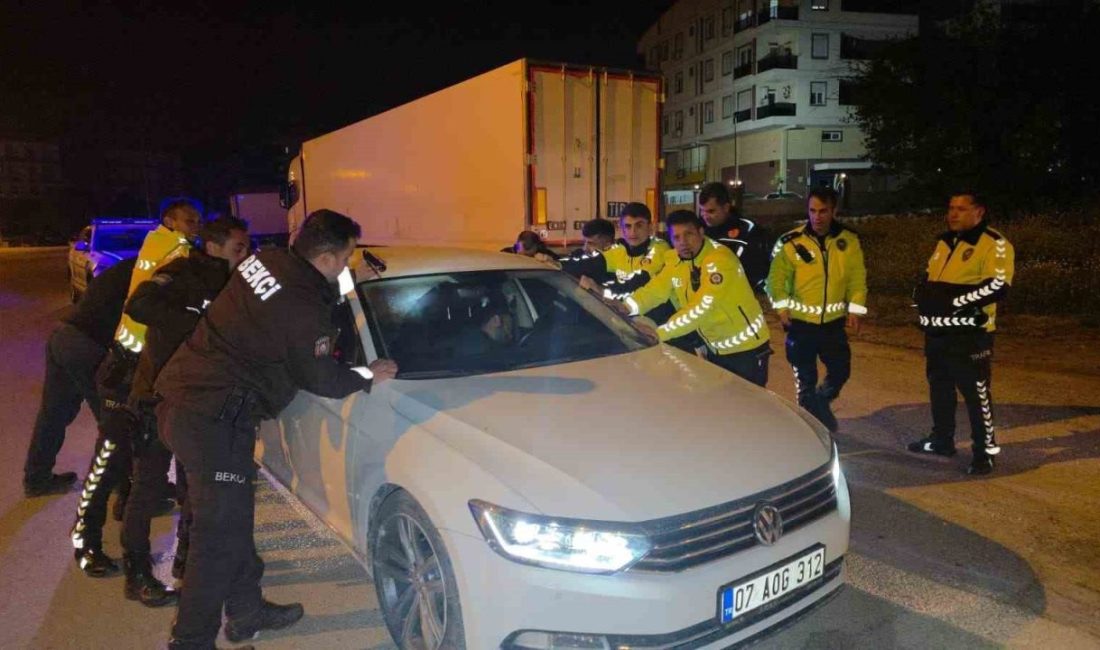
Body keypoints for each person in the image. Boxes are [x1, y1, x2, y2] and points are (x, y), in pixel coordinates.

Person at [153, 209, 397, 648]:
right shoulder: (301, 307)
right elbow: (320, 376)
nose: (346, 268)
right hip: (213, 420)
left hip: (185, 402)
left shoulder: (265, 261)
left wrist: (336, 293)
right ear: (325, 257)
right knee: (217, 540)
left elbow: (287, 315)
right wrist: (367, 374)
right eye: (344, 259)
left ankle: (246, 611)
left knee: (230, 522)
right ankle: (190, 641)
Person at [118, 216, 251, 607]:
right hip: (155, 396)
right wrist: (195, 321)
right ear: (213, 247)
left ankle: (187, 559)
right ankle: (137, 572)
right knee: (147, 486)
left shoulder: (235, 283)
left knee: (197, 487)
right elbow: (138, 304)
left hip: (198, 402)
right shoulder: (181, 271)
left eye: (247, 249)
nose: (245, 256)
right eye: (238, 249)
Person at [70, 199, 201, 577]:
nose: (194, 227)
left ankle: (121, 516)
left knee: (135, 456)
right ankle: (85, 541)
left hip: (138, 367)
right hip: (127, 368)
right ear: (170, 221)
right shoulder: (175, 249)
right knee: (109, 458)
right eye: (188, 221)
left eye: (198, 222)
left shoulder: (156, 245)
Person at [908, 191, 1014, 475]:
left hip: (971, 334)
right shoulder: (945, 242)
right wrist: (921, 295)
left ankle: (985, 452)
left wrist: (953, 302)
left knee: (976, 393)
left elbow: (998, 286)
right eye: (951, 208)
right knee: (940, 388)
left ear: (979, 212)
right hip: (938, 331)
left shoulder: (994, 244)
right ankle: (942, 440)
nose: (953, 213)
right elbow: (930, 278)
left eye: (961, 208)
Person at [611, 210, 772, 386]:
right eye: (676, 237)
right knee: (723, 405)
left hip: (747, 349)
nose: (683, 243)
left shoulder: (719, 260)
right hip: (714, 347)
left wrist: (659, 333)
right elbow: (655, 290)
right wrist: (626, 306)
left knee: (748, 407)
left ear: (701, 232)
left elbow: (702, 307)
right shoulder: (676, 260)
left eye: (689, 234)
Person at [23, 256, 137, 498]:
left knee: (54, 412)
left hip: (64, 335)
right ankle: (123, 486)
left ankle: (37, 479)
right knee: (113, 416)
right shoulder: (150, 273)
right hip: (88, 345)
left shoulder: (128, 265)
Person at [766, 187, 867, 433]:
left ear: (834, 211)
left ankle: (820, 403)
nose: (817, 217)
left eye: (823, 211)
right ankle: (809, 429)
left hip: (833, 324)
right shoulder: (790, 242)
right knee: (805, 380)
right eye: (812, 211)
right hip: (800, 325)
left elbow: (856, 278)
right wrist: (781, 309)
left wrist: (855, 310)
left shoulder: (848, 241)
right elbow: (775, 281)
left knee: (841, 371)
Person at [697, 181, 772, 291]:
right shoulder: (697, 231)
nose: (705, 216)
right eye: (702, 211)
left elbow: (758, 270)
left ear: (726, 208)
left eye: (711, 211)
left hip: (738, 293)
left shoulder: (747, 230)